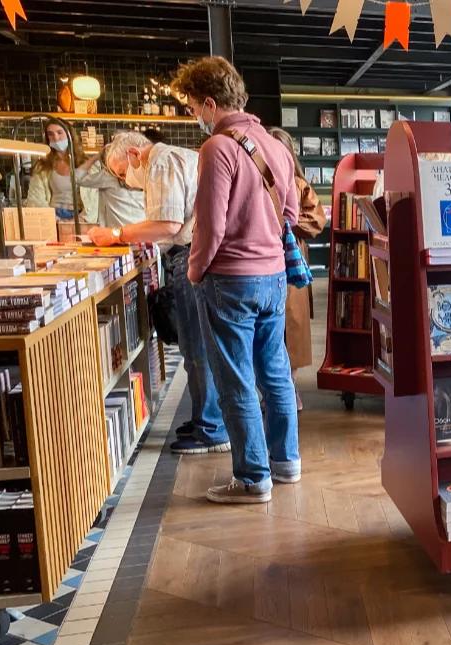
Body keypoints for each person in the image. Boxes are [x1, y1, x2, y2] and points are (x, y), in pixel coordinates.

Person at [174, 56, 301, 505]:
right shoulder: (274, 144)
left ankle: (252, 479)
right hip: (273, 277)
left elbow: (211, 226)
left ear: (210, 102)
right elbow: (291, 214)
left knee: (236, 379)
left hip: (230, 278)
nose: (195, 118)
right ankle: (286, 463)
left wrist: (194, 271)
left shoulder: (219, 148)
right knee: (275, 371)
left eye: (192, 108)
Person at [88, 131, 228, 456]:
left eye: (123, 172)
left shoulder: (161, 162)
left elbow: (166, 224)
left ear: (136, 154)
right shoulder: (176, 157)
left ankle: (212, 428)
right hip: (201, 253)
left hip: (194, 256)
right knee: (199, 344)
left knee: (196, 346)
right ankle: (207, 420)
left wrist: (116, 234)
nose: (126, 181)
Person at [267, 127, 328, 411]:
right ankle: (271, 389)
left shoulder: (299, 184)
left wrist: (284, 224)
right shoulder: (257, 179)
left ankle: (289, 388)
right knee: (268, 328)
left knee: (292, 325)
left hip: (290, 259)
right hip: (262, 259)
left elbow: (316, 220)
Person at [24, 119, 98, 222]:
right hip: (53, 216)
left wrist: (79, 220)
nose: (56, 138)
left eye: (59, 132)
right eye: (50, 134)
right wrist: (54, 220)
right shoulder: (42, 166)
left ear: (69, 135)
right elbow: (35, 199)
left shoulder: (86, 165)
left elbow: (95, 200)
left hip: (80, 216)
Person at [76, 140, 146, 227]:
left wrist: (95, 157)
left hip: (118, 234)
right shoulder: (144, 175)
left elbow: (78, 178)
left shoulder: (108, 178)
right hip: (141, 230)